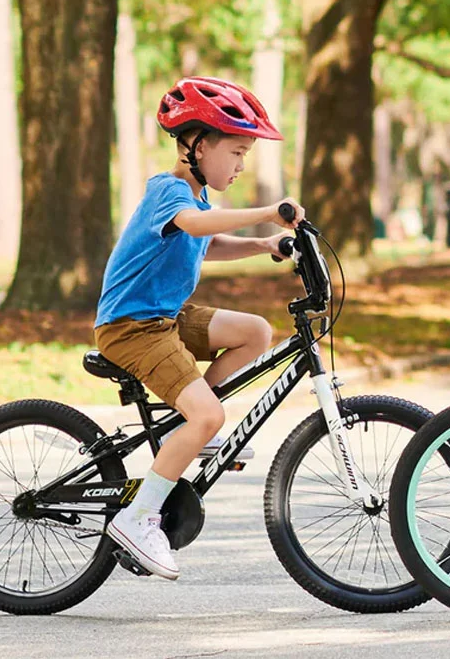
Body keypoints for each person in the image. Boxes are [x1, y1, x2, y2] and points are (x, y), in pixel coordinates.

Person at [94, 76, 304, 579]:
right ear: (199, 145)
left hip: (166, 317)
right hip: (132, 327)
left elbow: (206, 242)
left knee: (255, 332)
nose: (241, 164)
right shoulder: (170, 192)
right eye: (236, 152)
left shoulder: (196, 198)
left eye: (245, 155)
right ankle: (138, 518)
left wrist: (262, 244)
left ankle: (186, 425)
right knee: (209, 416)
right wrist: (267, 212)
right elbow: (193, 225)